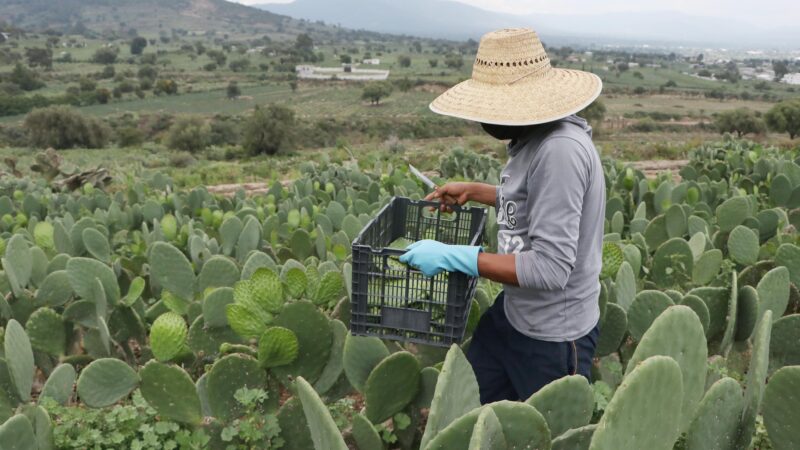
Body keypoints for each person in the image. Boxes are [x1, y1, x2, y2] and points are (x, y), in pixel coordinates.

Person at [399, 28, 605, 404]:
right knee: (464, 411)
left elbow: (549, 269)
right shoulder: (534, 137)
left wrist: (453, 257)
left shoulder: (560, 151)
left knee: (543, 438)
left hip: (552, 338)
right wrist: (477, 191)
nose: (482, 119)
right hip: (513, 315)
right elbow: (539, 204)